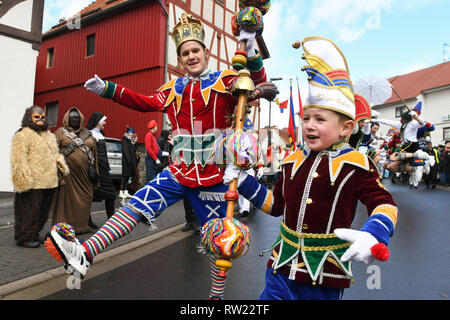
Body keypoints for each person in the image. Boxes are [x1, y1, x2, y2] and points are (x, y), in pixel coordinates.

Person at [45, 12, 278, 300]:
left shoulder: (226, 80)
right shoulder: (172, 89)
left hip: (216, 176)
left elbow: (255, 81)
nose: (191, 56)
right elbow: (142, 102)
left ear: (206, 52)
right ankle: (85, 253)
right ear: (180, 60)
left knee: (221, 243)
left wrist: (250, 44)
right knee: (137, 204)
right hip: (178, 172)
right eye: (185, 53)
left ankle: (215, 298)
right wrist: (108, 89)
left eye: (195, 51)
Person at [224, 37, 398, 300]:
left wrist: (374, 233)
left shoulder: (356, 164)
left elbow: (385, 204)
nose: (309, 125)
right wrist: (245, 180)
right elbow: (276, 206)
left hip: (325, 275)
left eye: (320, 119)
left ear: (345, 128)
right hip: (281, 265)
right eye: (306, 118)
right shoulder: (292, 159)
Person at [10, 106, 69, 248]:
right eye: (37, 117)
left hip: (49, 181)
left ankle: (34, 233)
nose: (41, 119)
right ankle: (24, 237)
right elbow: (18, 159)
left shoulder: (49, 135)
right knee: (28, 211)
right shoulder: (23, 134)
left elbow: (55, 155)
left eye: (43, 117)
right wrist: (23, 181)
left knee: (42, 211)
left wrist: (61, 171)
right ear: (29, 118)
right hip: (33, 183)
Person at [51, 107, 99, 234]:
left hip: (85, 177)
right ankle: (63, 229)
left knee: (86, 200)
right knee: (65, 204)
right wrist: (58, 175)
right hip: (67, 176)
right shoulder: (60, 132)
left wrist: (96, 175)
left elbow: (94, 154)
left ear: (81, 119)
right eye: (72, 118)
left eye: (77, 118)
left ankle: (81, 227)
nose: (74, 120)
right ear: (67, 119)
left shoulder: (88, 133)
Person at [86, 112, 117, 219]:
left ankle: (111, 219)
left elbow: (104, 153)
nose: (105, 122)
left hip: (103, 169)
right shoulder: (88, 134)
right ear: (97, 122)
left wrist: (108, 168)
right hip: (95, 168)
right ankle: (87, 220)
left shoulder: (101, 134)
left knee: (112, 194)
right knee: (90, 195)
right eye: (103, 120)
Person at [119, 126, 138, 201]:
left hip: (130, 162)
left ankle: (126, 191)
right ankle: (121, 191)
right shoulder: (124, 139)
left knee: (128, 177)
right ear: (127, 133)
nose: (131, 134)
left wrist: (134, 142)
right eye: (130, 132)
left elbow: (133, 151)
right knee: (124, 177)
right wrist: (129, 160)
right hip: (126, 161)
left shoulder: (131, 141)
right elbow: (126, 151)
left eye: (132, 133)